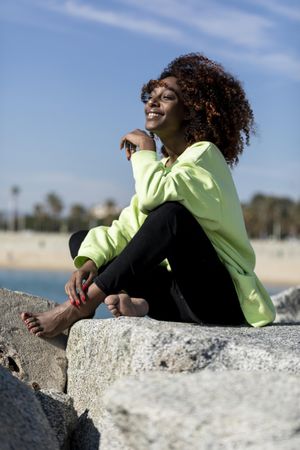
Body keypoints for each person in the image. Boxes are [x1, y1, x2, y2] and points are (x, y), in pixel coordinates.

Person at [21, 53, 276, 338]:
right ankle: (143, 305)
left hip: (220, 302)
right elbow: (126, 228)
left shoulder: (205, 155)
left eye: (166, 97)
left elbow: (153, 199)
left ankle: (79, 307)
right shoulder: (166, 167)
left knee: (172, 216)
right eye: (150, 95)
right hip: (180, 300)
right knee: (82, 241)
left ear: (191, 111)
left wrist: (145, 150)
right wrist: (90, 262)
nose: (152, 102)